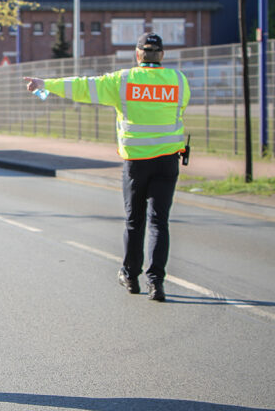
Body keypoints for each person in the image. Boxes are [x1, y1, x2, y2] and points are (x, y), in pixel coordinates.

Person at [24, 32, 190, 302]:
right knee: (159, 222)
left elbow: (83, 86)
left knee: (135, 221)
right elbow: (179, 110)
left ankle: (130, 276)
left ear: (138, 55)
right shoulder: (179, 81)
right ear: (161, 55)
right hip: (167, 161)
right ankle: (156, 282)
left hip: (137, 162)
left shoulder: (123, 81)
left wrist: (46, 84)